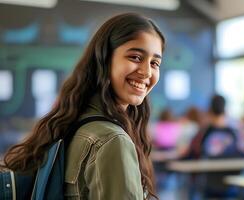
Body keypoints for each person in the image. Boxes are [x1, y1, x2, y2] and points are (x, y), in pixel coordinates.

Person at [0, 13, 165, 199]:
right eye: (135, 57)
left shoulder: (70, 122)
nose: (146, 72)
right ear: (104, 59)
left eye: (154, 63)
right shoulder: (112, 140)